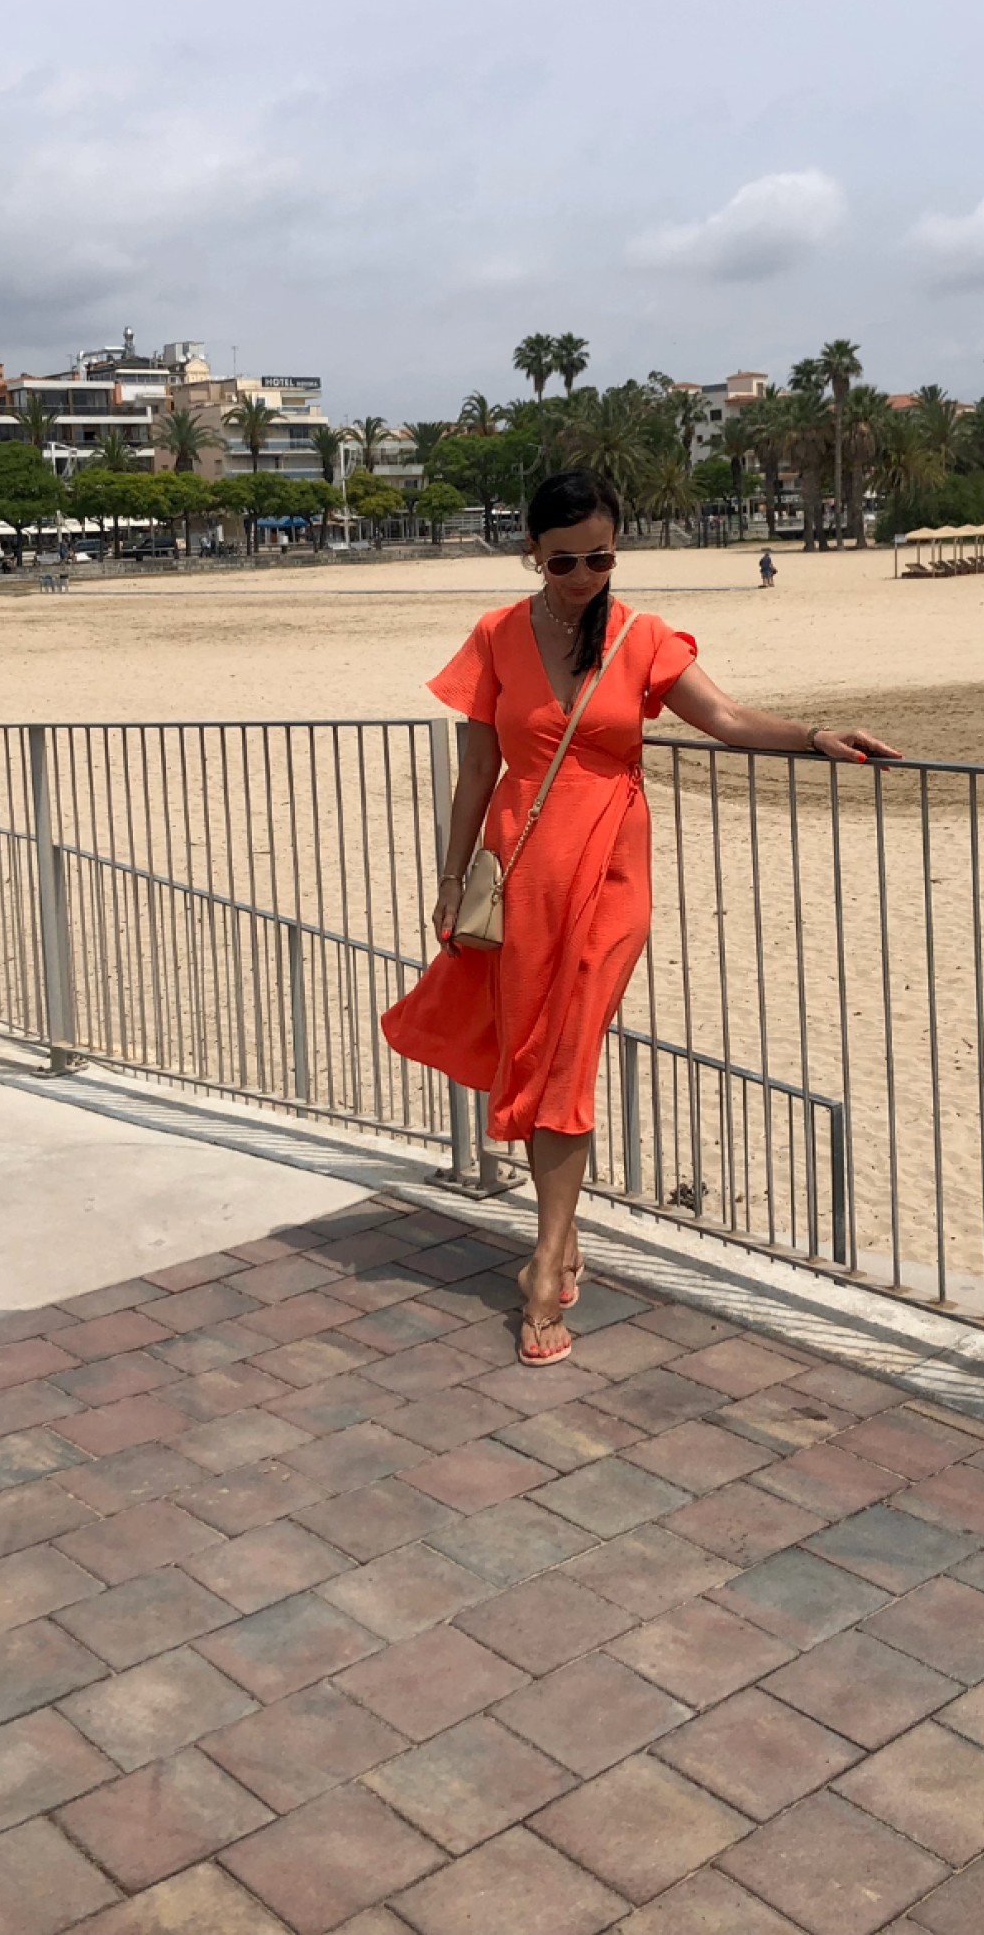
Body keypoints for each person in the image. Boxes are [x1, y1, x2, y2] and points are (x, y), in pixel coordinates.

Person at [382, 469, 899, 1368]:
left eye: (601, 558)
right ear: (532, 555)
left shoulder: (641, 636)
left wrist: (815, 736)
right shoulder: (496, 636)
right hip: (522, 871)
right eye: (564, 562)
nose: (584, 577)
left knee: (567, 1054)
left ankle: (544, 1266)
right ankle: (563, 1234)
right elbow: (475, 775)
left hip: (612, 869)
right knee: (532, 1050)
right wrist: (451, 877)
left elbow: (725, 718)